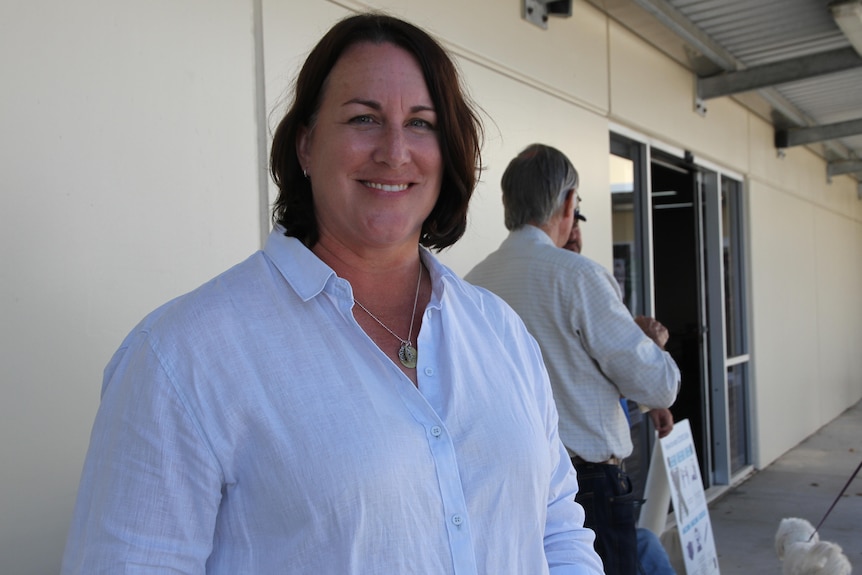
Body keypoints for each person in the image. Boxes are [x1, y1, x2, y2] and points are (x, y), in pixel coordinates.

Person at [60, 15, 604, 575]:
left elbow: (558, 526)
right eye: (363, 118)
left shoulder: (501, 332)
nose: (395, 152)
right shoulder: (182, 357)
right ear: (305, 144)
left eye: (421, 123)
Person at [465, 143, 680, 575]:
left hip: (510, 484)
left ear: (508, 202)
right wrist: (652, 345)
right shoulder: (578, 276)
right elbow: (660, 385)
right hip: (588, 487)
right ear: (568, 202)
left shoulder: (473, 282)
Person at [564, 209, 677, 575]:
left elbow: (597, 375)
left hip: (576, 474)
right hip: (586, 476)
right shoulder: (581, 280)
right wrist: (654, 348)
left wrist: (647, 402)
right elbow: (648, 376)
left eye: (580, 226)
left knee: (640, 545)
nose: (575, 234)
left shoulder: (571, 283)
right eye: (570, 223)